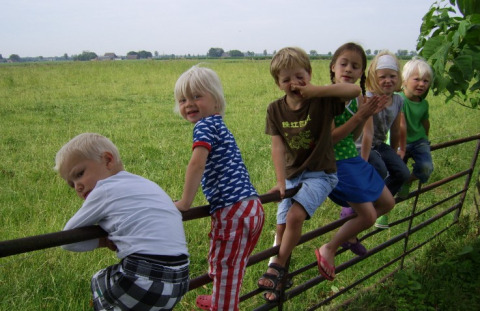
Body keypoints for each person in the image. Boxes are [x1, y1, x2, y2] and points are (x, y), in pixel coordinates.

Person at [257, 47, 361, 301]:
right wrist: (281, 182)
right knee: (282, 226)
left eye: (300, 77)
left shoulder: (323, 102)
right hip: (293, 175)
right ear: (278, 84)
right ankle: (280, 280)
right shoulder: (275, 110)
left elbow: (354, 91)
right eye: (286, 79)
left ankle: (277, 265)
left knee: (295, 217)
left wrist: (317, 90)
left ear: (310, 74)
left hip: (321, 173)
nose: (294, 83)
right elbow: (278, 146)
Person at [56, 133, 189, 311]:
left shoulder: (104, 189)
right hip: (180, 281)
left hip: (144, 281)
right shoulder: (146, 183)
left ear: (108, 160)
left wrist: (102, 240)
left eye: (79, 174)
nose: (78, 186)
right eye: (71, 184)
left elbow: (67, 239)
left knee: (99, 279)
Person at [173, 65, 264, 311]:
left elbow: (197, 163)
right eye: (183, 99)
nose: (189, 103)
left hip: (232, 209)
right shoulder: (219, 124)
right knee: (230, 261)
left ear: (216, 101)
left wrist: (184, 203)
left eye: (196, 96)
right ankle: (220, 297)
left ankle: (224, 305)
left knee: (226, 266)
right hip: (251, 206)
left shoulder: (204, 126)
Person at [313, 43, 395, 280]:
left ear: (361, 73)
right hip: (336, 162)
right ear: (333, 67)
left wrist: (364, 115)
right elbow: (330, 140)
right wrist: (360, 115)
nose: (348, 69)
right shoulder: (326, 99)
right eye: (344, 63)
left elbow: (354, 136)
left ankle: (351, 233)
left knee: (388, 202)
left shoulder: (357, 98)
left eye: (355, 66)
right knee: (369, 216)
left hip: (353, 159)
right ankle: (330, 247)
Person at [362, 50, 411, 229]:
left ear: (398, 78)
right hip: (364, 144)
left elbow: (396, 128)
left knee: (403, 173)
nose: (388, 80)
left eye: (392, 76)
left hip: (381, 144)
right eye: (383, 76)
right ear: (374, 78)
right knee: (380, 170)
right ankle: (362, 207)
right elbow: (363, 130)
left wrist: (396, 150)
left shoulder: (398, 100)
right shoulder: (368, 97)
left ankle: (376, 206)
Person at [397, 57, 434, 199]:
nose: (421, 84)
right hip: (400, 142)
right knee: (394, 172)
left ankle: (408, 181)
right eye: (416, 79)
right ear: (404, 81)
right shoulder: (398, 99)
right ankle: (384, 207)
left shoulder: (424, 104)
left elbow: (425, 122)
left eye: (425, 81)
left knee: (426, 168)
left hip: (419, 141)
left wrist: (426, 139)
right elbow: (399, 125)